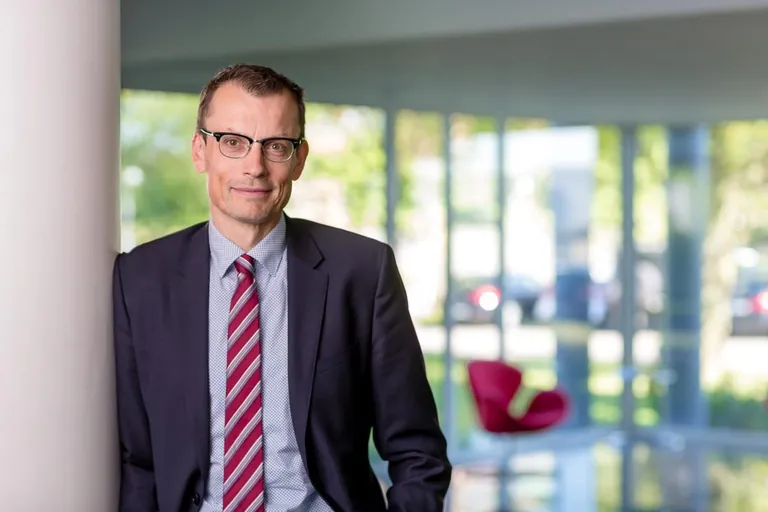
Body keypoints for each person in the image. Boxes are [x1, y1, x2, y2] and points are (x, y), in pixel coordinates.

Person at [113, 63, 451, 512]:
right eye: (232, 142)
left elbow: (417, 452)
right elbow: (138, 461)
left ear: (299, 159)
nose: (254, 167)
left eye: (275, 146)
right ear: (200, 151)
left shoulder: (362, 272)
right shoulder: (140, 278)